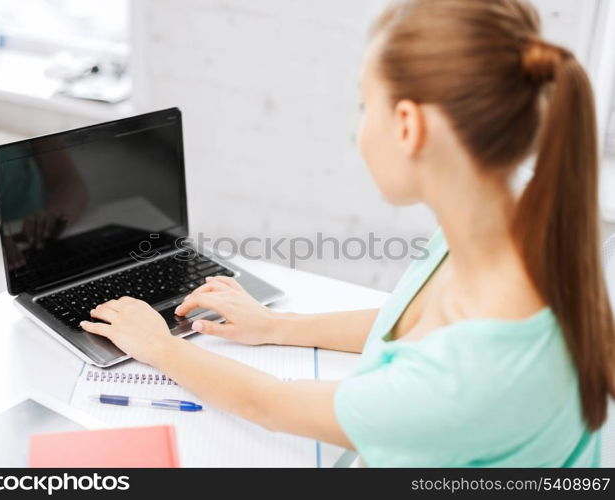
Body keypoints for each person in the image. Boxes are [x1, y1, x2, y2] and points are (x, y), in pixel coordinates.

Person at [80, 0, 615, 467]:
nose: (359, 129)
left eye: (365, 106)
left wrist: (157, 346)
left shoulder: (466, 377)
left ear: (408, 125)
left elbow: (269, 405)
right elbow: (406, 322)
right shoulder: (516, 219)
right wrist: (278, 325)